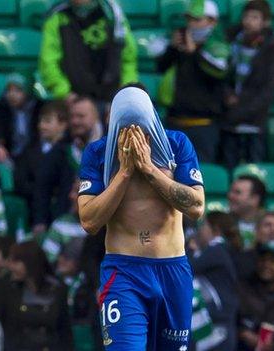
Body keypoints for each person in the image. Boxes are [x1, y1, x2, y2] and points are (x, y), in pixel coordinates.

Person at [77, 86, 205, 349]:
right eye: (124, 128)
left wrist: (149, 169)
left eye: (141, 128)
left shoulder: (176, 145)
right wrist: (123, 173)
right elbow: (89, 221)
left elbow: (196, 207)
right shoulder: (98, 154)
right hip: (124, 272)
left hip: (173, 271)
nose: (133, 136)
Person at [157, 0, 229, 163]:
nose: (191, 25)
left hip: (203, 126)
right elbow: (160, 67)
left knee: (200, 175)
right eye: (189, 20)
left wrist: (194, 53)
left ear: (212, 22)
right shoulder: (180, 45)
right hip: (175, 121)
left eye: (197, 20)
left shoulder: (218, 46)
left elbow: (218, 73)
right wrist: (172, 48)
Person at [222, 0, 274, 169]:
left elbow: (269, 90)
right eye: (246, 16)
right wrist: (227, 96)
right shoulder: (231, 42)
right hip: (229, 120)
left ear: (265, 22)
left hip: (255, 121)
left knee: (254, 172)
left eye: (255, 17)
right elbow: (222, 78)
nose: (248, 21)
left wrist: (241, 110)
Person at [39, 0, 138, 104]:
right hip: (73, 99)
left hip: (111, 98)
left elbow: (128, 58)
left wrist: (124, 95)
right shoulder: (57, 17)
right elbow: (48, 62)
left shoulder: (113, 13)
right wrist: (65, 94)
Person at [33, 96, 101, 234]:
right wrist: (40, 221)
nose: (75, 121)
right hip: (64, 224)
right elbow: (42, 188)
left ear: (95, 118)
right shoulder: (60, 151)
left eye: (81, 116)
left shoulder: (110, 148)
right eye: (73, 117)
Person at [0, 240, 73, 350]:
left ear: (30, 263)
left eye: (16, 262)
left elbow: (64, 329)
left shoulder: (58, 289)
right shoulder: (5, 288)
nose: (10, 266)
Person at [187, 211, 239, 351]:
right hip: (214, 319)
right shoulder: (217, 250)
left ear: (215, 229)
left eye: (203, 226)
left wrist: (191, 250)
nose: (199, 231)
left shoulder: (217, 249)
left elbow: (189, 267)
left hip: (220, 321)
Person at [14, 100, 69, 219]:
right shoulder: (29, 151)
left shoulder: (70, 151)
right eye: (40, 121)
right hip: (33, 211)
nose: (41, 126)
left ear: (63, 124)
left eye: (47, 121)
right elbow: (20, 183)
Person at [0, 73, 42, 162]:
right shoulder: (2, 109)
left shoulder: (39, 109)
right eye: (9, 90)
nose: (12, 95)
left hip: (34, 157)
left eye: (18, 90)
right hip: (10, 156)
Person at [227, 175, 266, 250]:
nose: (230, 196)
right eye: (231, 191)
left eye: (237, 192)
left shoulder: (269, 225)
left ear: (254, 199)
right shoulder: (222, 223)